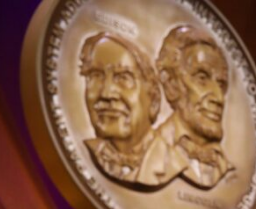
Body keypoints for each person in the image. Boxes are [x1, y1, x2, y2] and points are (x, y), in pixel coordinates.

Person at [139, 25, 233, 189]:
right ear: (171, 84)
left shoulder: (228, 169)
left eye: (221, 84)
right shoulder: (146, 153)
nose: (219, 98)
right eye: (202, 78)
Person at [79, 32, 161, 184]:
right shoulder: (80, 151)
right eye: (96, 75)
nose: (106, 93)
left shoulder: (174, 163)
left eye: (123, 78)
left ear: (154, 100)